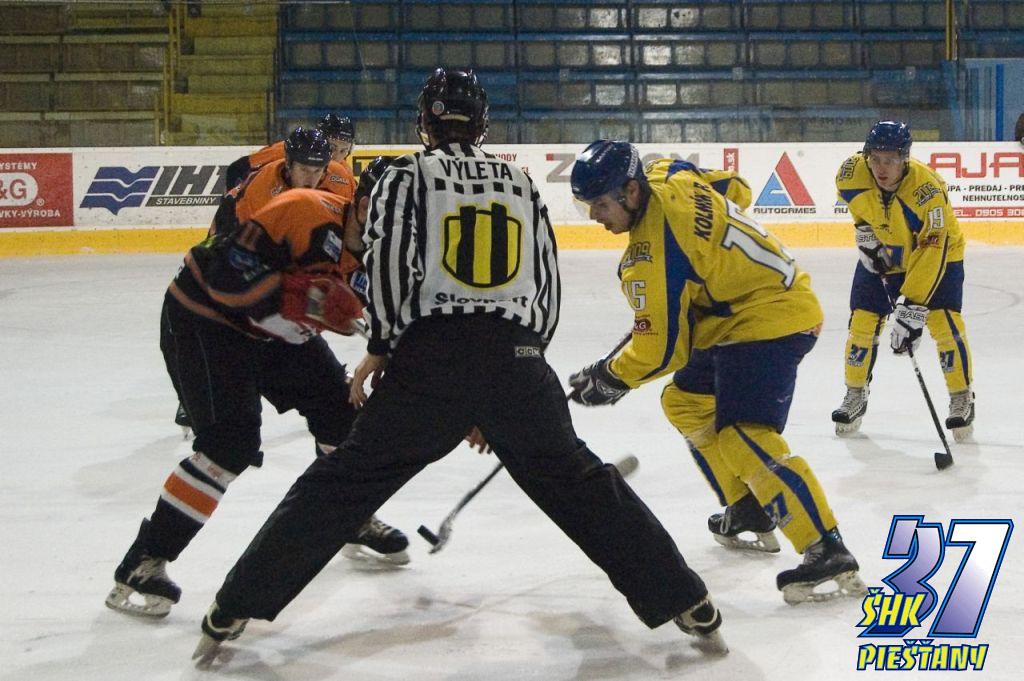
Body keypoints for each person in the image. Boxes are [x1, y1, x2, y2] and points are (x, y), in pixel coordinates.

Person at [192, 68, 726, 662]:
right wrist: (513, 379)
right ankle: (688, 600)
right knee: (582, 485)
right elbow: (545, 288)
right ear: (482, 124)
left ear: (424, 123)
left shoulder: (404, 175)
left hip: (431, 361)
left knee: (341, 484)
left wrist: (385, 347)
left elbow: (391, 265)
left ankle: (234, 606)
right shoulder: (521, 181)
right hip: (517, 358)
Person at [567, 140, 865, 605]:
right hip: (744, 311)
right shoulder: (670, 174)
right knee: (684, 401)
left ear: (630, 191)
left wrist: (609, 377)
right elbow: (736, 188)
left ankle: (825, 546)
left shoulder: (651, 255)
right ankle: (748, 507)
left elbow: (661, 351)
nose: (594, 217)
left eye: (601, 205)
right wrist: (709, 252)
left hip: (770, 317)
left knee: (743, 434)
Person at [106, 170, 408, 620]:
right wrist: (302, 299)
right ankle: (144, 561)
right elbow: (225, 274)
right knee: (229, 444)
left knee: (342, 414)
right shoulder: (302, 209)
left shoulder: (388, 255)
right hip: (206, 319)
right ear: (363, 205)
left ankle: (349, 516)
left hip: (275, 332)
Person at [831, 120, 974, 442]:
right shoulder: (851, 173)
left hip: (939, 254)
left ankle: (961, 396)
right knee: (863, 319)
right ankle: (855, 393)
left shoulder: (927, 192)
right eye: (876, 159)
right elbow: (857, 206)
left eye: (890, 160)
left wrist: (913, 306)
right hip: (888, 248)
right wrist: (864, 231)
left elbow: (932, 248)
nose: (881, 168)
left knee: (942, 321)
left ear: (905, 159)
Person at [224, 113, 356, 189]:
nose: (336, 157)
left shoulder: (344, 172)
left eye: (343, 151)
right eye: (332, 148)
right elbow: (237, 169)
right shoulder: (289, 150)